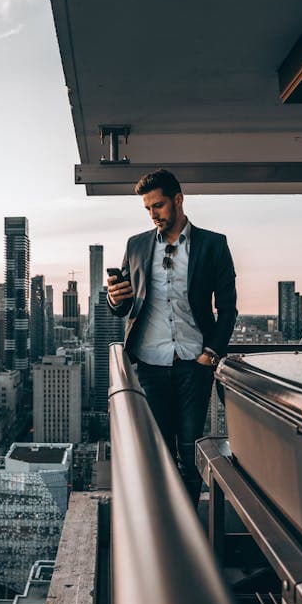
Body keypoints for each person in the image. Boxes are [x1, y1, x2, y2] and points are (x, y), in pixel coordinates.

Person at [107, 168, 237, 506]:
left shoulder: (213, 245)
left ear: (178, 200)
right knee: (160, 453)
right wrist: (114, 297)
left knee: (190, 451)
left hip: (195, 363)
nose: (153, 215)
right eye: (148, 209)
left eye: (159, 206)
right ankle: (166, 521)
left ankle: (190, 523)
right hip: (150, 363)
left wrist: (211, 353)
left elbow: (228, 308)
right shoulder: (136, 246)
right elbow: (123, 309)